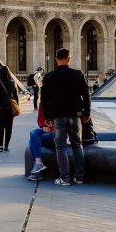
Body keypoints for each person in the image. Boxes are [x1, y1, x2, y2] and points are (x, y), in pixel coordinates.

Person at [40, 48, 91, 186]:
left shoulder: (49, 77)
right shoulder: (77, 74)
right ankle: (80, 177)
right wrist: (86, 113)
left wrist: (47, 116)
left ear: (56, 59)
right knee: (77, 145)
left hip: (57, 117)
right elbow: (86, 95)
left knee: (60, 147)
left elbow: (43, 99)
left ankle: (65, 178)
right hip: (75, 115)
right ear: (69, 59)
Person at [0, 67, 19, 152]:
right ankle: (6, 146)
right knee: (9, 128)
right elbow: (16, 97)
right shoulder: (13, 83)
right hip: (9, 109)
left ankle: (0, 146)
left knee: (0, 127)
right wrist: (16, 107)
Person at [28, 104, 54, 181]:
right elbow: (40, 121)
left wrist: (55, 128)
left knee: (32, 142)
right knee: (33, 133)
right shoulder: (43, 103)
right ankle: (38, 163)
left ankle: (37, 172)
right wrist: (44, 126)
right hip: (48, 131)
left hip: (60, 132)